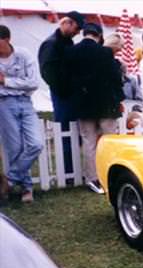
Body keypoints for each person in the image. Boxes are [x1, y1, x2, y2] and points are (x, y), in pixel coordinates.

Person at [65, 22, 124, 194]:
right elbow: (115, 78)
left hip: (83, 104)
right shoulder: (105, 52)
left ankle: (92, 179)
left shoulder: (71, 52)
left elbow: (67, 79)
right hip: (106, 103)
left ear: (84, 33)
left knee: (89, 142)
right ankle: (110, 175)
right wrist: (119, 98)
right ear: (98, 35)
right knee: (109, 141)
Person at [0, 24, 43, 203]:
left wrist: (6, 81)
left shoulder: (23, 54)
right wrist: (17, 82)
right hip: (4, 104)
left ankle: (8, 180)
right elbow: (26, 81)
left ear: (7, 39)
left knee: (36, 144)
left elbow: (33, 82)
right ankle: (26, 189)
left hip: (25, 102)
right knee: (14, 148)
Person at [38, 10, 83, 174]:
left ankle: (75, 169)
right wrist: (63, 90)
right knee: (65, 133)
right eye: (76, 29)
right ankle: (68, 171)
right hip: (62, 95)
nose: (77, 33)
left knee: (74, 134)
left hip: (72, 94)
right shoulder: (51, 44)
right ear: (67, 23)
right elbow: (47, 72)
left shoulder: (67, 42)